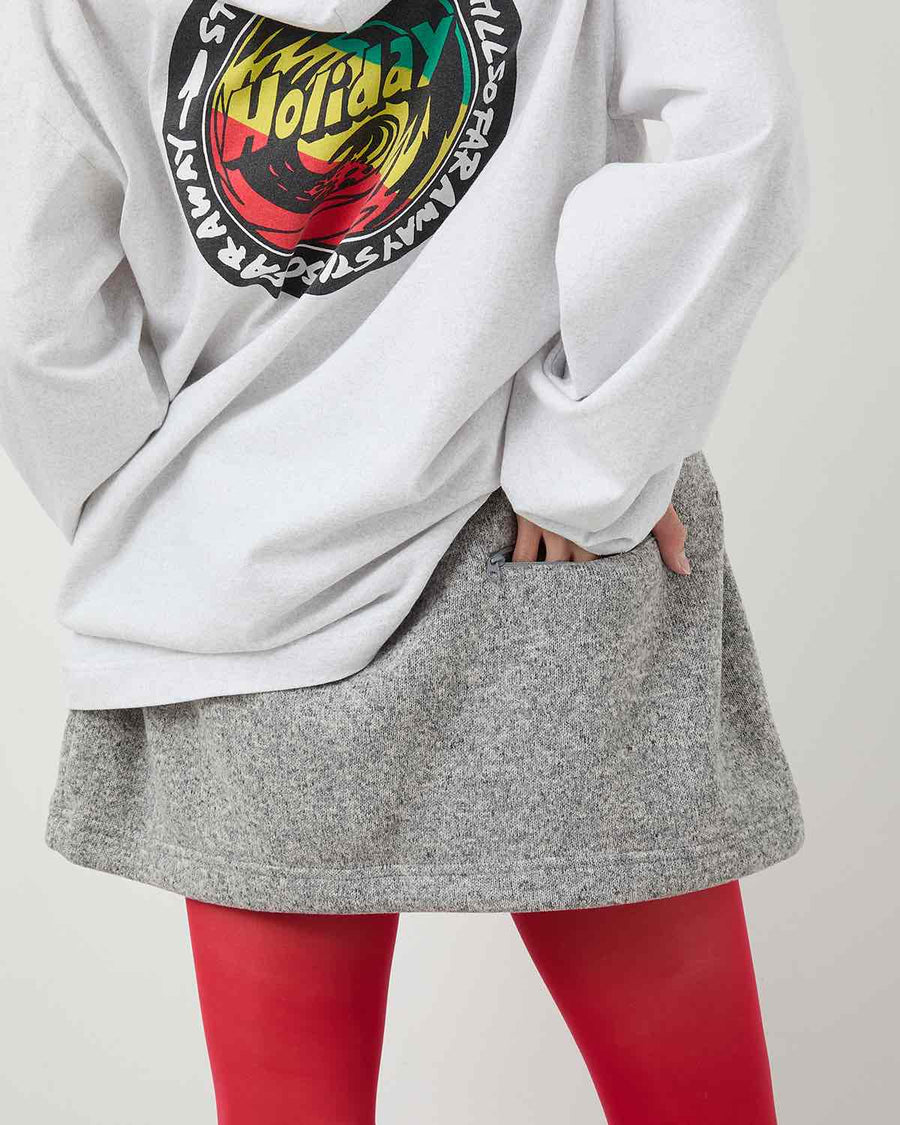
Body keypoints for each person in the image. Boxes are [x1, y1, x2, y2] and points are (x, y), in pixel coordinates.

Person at [0, 1, 809, 1122]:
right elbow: (746, 130)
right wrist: (603, 445)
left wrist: (163, 517)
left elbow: (32, 303)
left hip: (247, 588)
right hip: (543, 543)